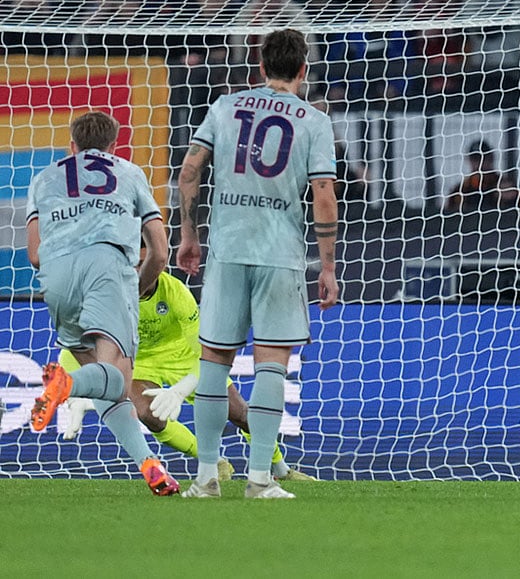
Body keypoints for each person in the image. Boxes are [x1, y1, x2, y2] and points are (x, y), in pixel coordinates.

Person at [177, 28, 339, 499]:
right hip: (279, 255)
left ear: (261, 66)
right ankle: (260, 480)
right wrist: (327, 267)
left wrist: (189, 236)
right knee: (272, 365)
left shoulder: (225, 106)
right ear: (304, 71)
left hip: (226, 250)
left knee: (213, 365)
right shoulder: (314, 120)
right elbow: (324, 195)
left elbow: (189, 170)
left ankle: (207, 477)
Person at [26, 110, 180, 496]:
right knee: (119, 379)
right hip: (108, 269)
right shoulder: (128, 173)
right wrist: (138, 287)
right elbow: (160, 251)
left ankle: (149, 465)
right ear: (114, 146)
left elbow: (34, 254)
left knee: (106, 384)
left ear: (72, 145)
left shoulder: (44, 179)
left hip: (57, 276)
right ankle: (65, 384)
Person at [58, 262, 318, 483]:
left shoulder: (176, 293)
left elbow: (206, 354)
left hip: (184, 356)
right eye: (132, 265)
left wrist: (181, 389)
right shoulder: (110, 297)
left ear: (155, 267)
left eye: (143, 264)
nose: (137, 272)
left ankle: (280, 469)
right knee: (148, 414)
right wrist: (75, 392)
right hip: (140, 362)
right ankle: (214, 460)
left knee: (240, 414)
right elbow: (72, 350)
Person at [444, 138, 520, 214]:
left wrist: (510, 201)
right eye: (476, 159)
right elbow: (448, 221)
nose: (480, 163)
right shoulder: (460, 191)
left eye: (484, 158)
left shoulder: (506, 187)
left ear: (492, 158)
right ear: (469, 160)